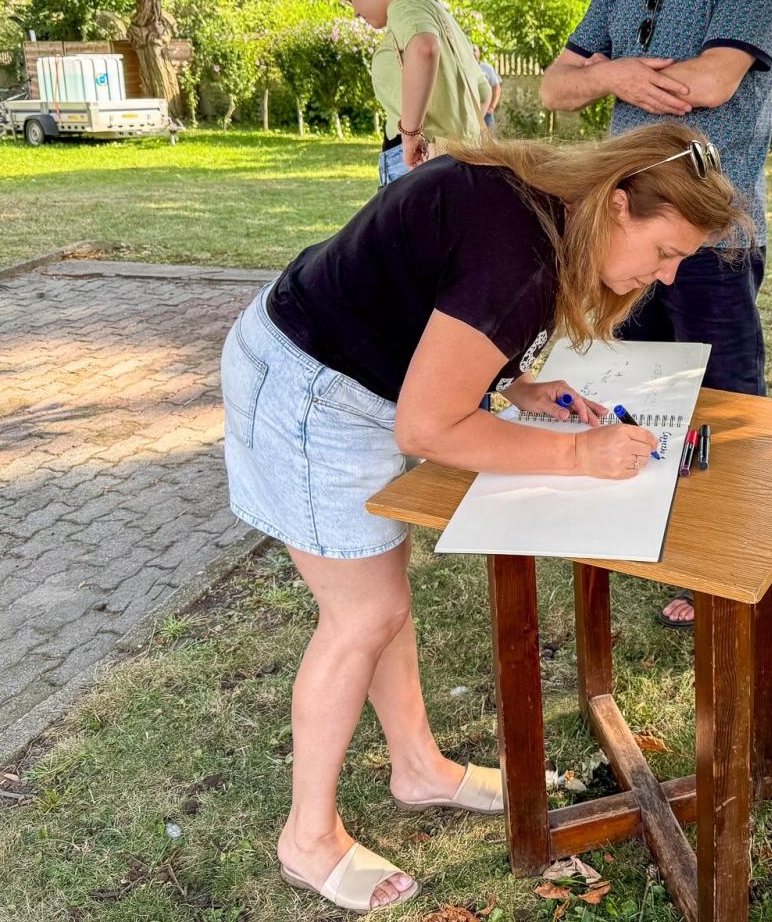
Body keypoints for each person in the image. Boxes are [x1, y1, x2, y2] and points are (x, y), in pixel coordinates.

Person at [221, 124, 744, 912]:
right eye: (665, 251)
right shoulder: (519, 254)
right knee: (363, 615)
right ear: (617, 202)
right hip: (310, 390)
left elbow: (439, 303)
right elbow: (428, 428)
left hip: (344, 374)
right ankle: (306, 837)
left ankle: (418, 769)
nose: (667, 277)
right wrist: (579, 455)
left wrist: (512, 385)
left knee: (382, 602)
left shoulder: (542, 208)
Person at [537, 0, 772, 629]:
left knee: (725, 404)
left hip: (712, 232)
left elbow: (713, 81)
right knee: (633, 389)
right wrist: (614, 76)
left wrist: (612, 72)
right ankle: (647, 534)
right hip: (624, 233)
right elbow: (555, 87)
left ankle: (725, 560)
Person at [331, 0, 486, 187]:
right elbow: (482, 89)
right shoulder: (439, 13)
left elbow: (424, 47)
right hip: (458, 162)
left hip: (420, 161)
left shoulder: (404, 7)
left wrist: (411, 135)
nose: (355, 12)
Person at [475, 47, 502, 128]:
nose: (472, 52)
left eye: (475, 50)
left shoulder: (486, 68)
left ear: (479, 53)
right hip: (472, 112)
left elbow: (496, 88)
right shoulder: (465, 68)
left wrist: (491, 107)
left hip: (486, 112)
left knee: (489, 134)